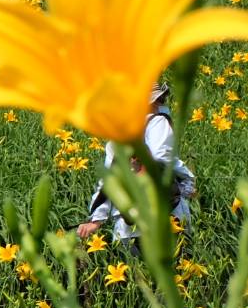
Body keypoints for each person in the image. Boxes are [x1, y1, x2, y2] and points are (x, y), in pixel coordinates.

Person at [77, 82, 195, 246]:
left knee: (133, 270)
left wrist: (96, 220)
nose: (162, 103)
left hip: (127, 226)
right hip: (166, 219)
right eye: (160, 99)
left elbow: (107, 182)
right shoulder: (157, 121)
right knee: (177, 268)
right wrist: (188, 180)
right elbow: (162, 157)